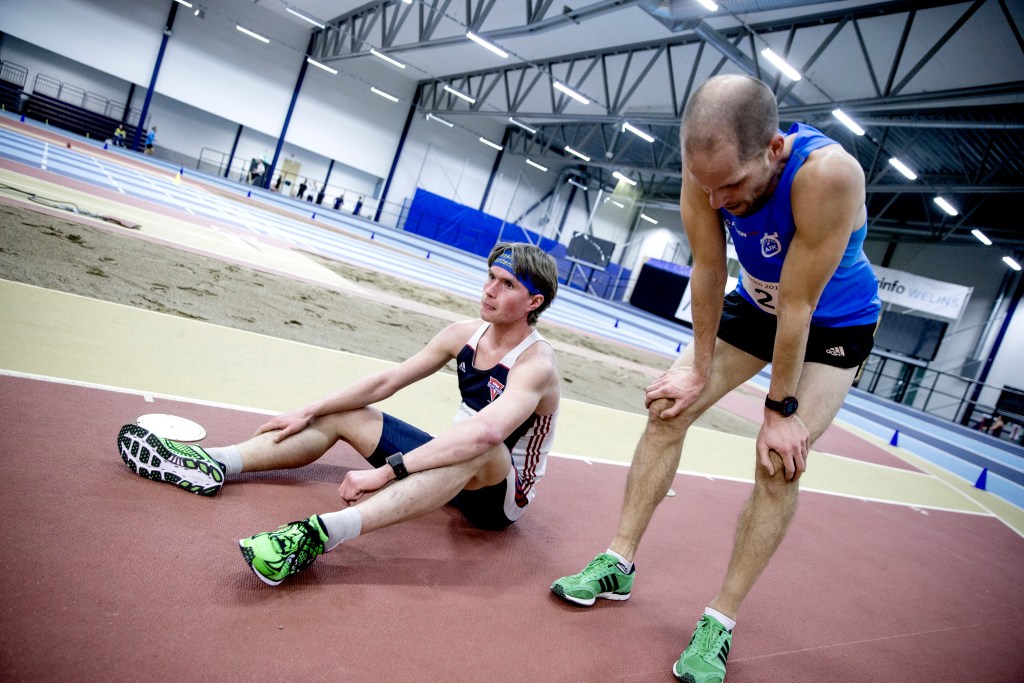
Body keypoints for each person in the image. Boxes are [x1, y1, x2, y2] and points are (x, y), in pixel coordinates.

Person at [550, 74, 880, 682]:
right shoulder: (706, 176)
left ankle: (719, 622)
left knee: (779, 462)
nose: (718, 201)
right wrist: (697, 370)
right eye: (707, 186)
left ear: (774, 149)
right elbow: (707, 269)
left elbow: (799, 308)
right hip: (756, 307)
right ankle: (618, 561)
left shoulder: (829, 176)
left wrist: (780, 414)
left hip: (832, 324)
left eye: (733, 186)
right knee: (667, 408)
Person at [116, 242, 561, 586]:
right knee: (347, 413)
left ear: (533, 303)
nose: (488, 290)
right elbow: (388, 381)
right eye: (490, 277)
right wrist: (311, 409)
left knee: (478, 449)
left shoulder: (535, 365)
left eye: (507, 285)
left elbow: (484, 436)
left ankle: (319, 536)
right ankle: (215, 463)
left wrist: (388, 472)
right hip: (450, 462)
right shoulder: (464, 334)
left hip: (498, 493)